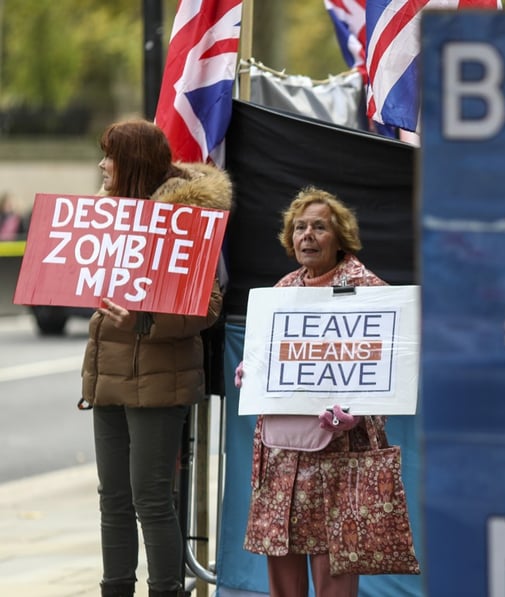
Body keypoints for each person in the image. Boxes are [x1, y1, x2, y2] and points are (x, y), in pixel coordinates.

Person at [81, 119, 233, 597]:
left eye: (110, 156)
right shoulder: (110, 218)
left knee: (151, 499)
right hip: (109, 377)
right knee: (114, 501)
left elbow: (206, 307)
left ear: (134, 165)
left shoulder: (184, 221)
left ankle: (166, 589)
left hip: (160, 380)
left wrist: (143, 322)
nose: (102, 165)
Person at [235, 186, 389, 597]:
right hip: (282, 449)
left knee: (332, 553)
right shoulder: (283, 289)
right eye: (300, 227)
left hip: (337, 450)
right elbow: (269, 355)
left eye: (319, 227)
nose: (307, 235)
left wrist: (358, 411)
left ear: (340, 237)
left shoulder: (367, 288)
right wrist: (252, 369)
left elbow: (387, 368)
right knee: (280, 546)